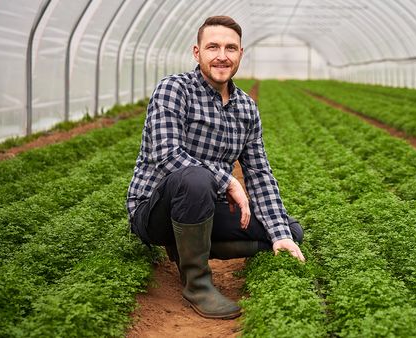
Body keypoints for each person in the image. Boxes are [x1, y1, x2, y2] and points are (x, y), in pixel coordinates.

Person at [126, 16, 305, 320]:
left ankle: (185, 246)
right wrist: (227, 181)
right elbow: (167, 154)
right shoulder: (174, 89)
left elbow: (260, 173)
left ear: (240, 54)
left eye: (230, 48)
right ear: (197, 52)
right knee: (195, 178)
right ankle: (197, 284)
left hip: (201, 209)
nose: (222, 55)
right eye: (213, 47)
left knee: (290, 231)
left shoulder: (246, 108)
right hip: (154, 210)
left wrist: (280, 234)